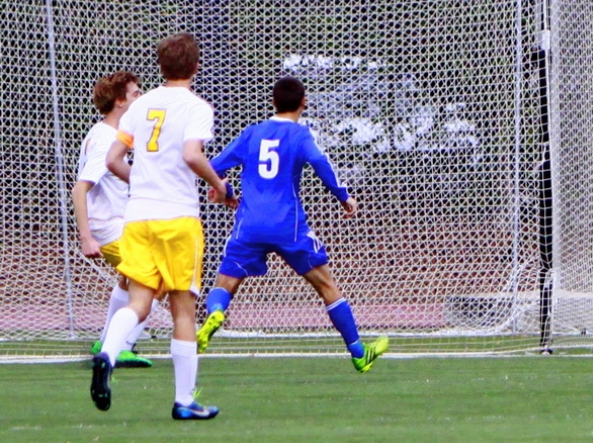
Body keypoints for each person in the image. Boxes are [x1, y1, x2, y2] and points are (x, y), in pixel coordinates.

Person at [196, 76, 388, 373]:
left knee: (225, 283)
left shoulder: (252, 133)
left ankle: (217, 312)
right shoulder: (300, 135)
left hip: (249, 225)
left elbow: (213, 167)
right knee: (326, 285)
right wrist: (343, 195)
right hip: (289, 225)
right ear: (304, 102)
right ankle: (359, 352)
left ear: (273, 101)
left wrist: (226, 192)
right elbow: (320, 162)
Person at [90, 33, 230, 420]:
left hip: (137, 217)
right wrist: (219, 185)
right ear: (196, 66)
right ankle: (185, 401)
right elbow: (191, 154)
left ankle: (107, 352)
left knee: (139, 302)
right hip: (177, 217)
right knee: (183, 310)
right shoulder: (197, 106)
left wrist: (142, 182)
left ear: (161, 66)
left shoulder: (142, 104)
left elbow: (115, 160)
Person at [72, 71, 155, 369]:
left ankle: (106, 340)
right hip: (108, 228)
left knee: (128, 279)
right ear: (119, 101)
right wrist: (86, 236)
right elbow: (80, 188)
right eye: (135, 93)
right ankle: (120, 346)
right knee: (153, 278)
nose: (140, 97)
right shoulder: (106, 139)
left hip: (120, 224)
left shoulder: (110, 134)